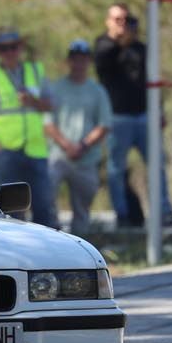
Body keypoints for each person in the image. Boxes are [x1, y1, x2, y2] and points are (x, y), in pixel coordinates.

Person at [94, 3, 171, 229]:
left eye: (125, 20)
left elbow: (152, 81)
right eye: (117, 20)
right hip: (118, 118)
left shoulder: (141, 49)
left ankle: (164, 211)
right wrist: (120, 41)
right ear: (108, 21)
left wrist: (160, 110)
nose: (122, 25)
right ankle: (123, 214)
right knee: (116, 170)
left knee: (157, 165)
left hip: (144, 115)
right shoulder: (103, 46)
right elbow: (103, 63)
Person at [0, 28, 54, 222]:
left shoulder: (36, 71)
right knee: (11, 212)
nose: (10, 52)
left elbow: (50, 104)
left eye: (13, 47)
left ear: (20, 48)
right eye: (4, 49)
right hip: (4, 153)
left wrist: (33, 101)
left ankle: (46, 249)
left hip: (35, 149)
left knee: (43, 206)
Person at [45, 40, 113, 233]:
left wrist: (83, 146)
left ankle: (81, 244)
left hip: (86, 158)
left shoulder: (97, 91)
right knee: (46, 195)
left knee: (82, 207)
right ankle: (52, 235)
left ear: (88, 61)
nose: (79, 64)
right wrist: (66, 145)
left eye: (83, 59)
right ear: (69, 61)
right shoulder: (56, 88)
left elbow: (104, 124)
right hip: (58, 156)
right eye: (75, 59)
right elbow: (48, 122)